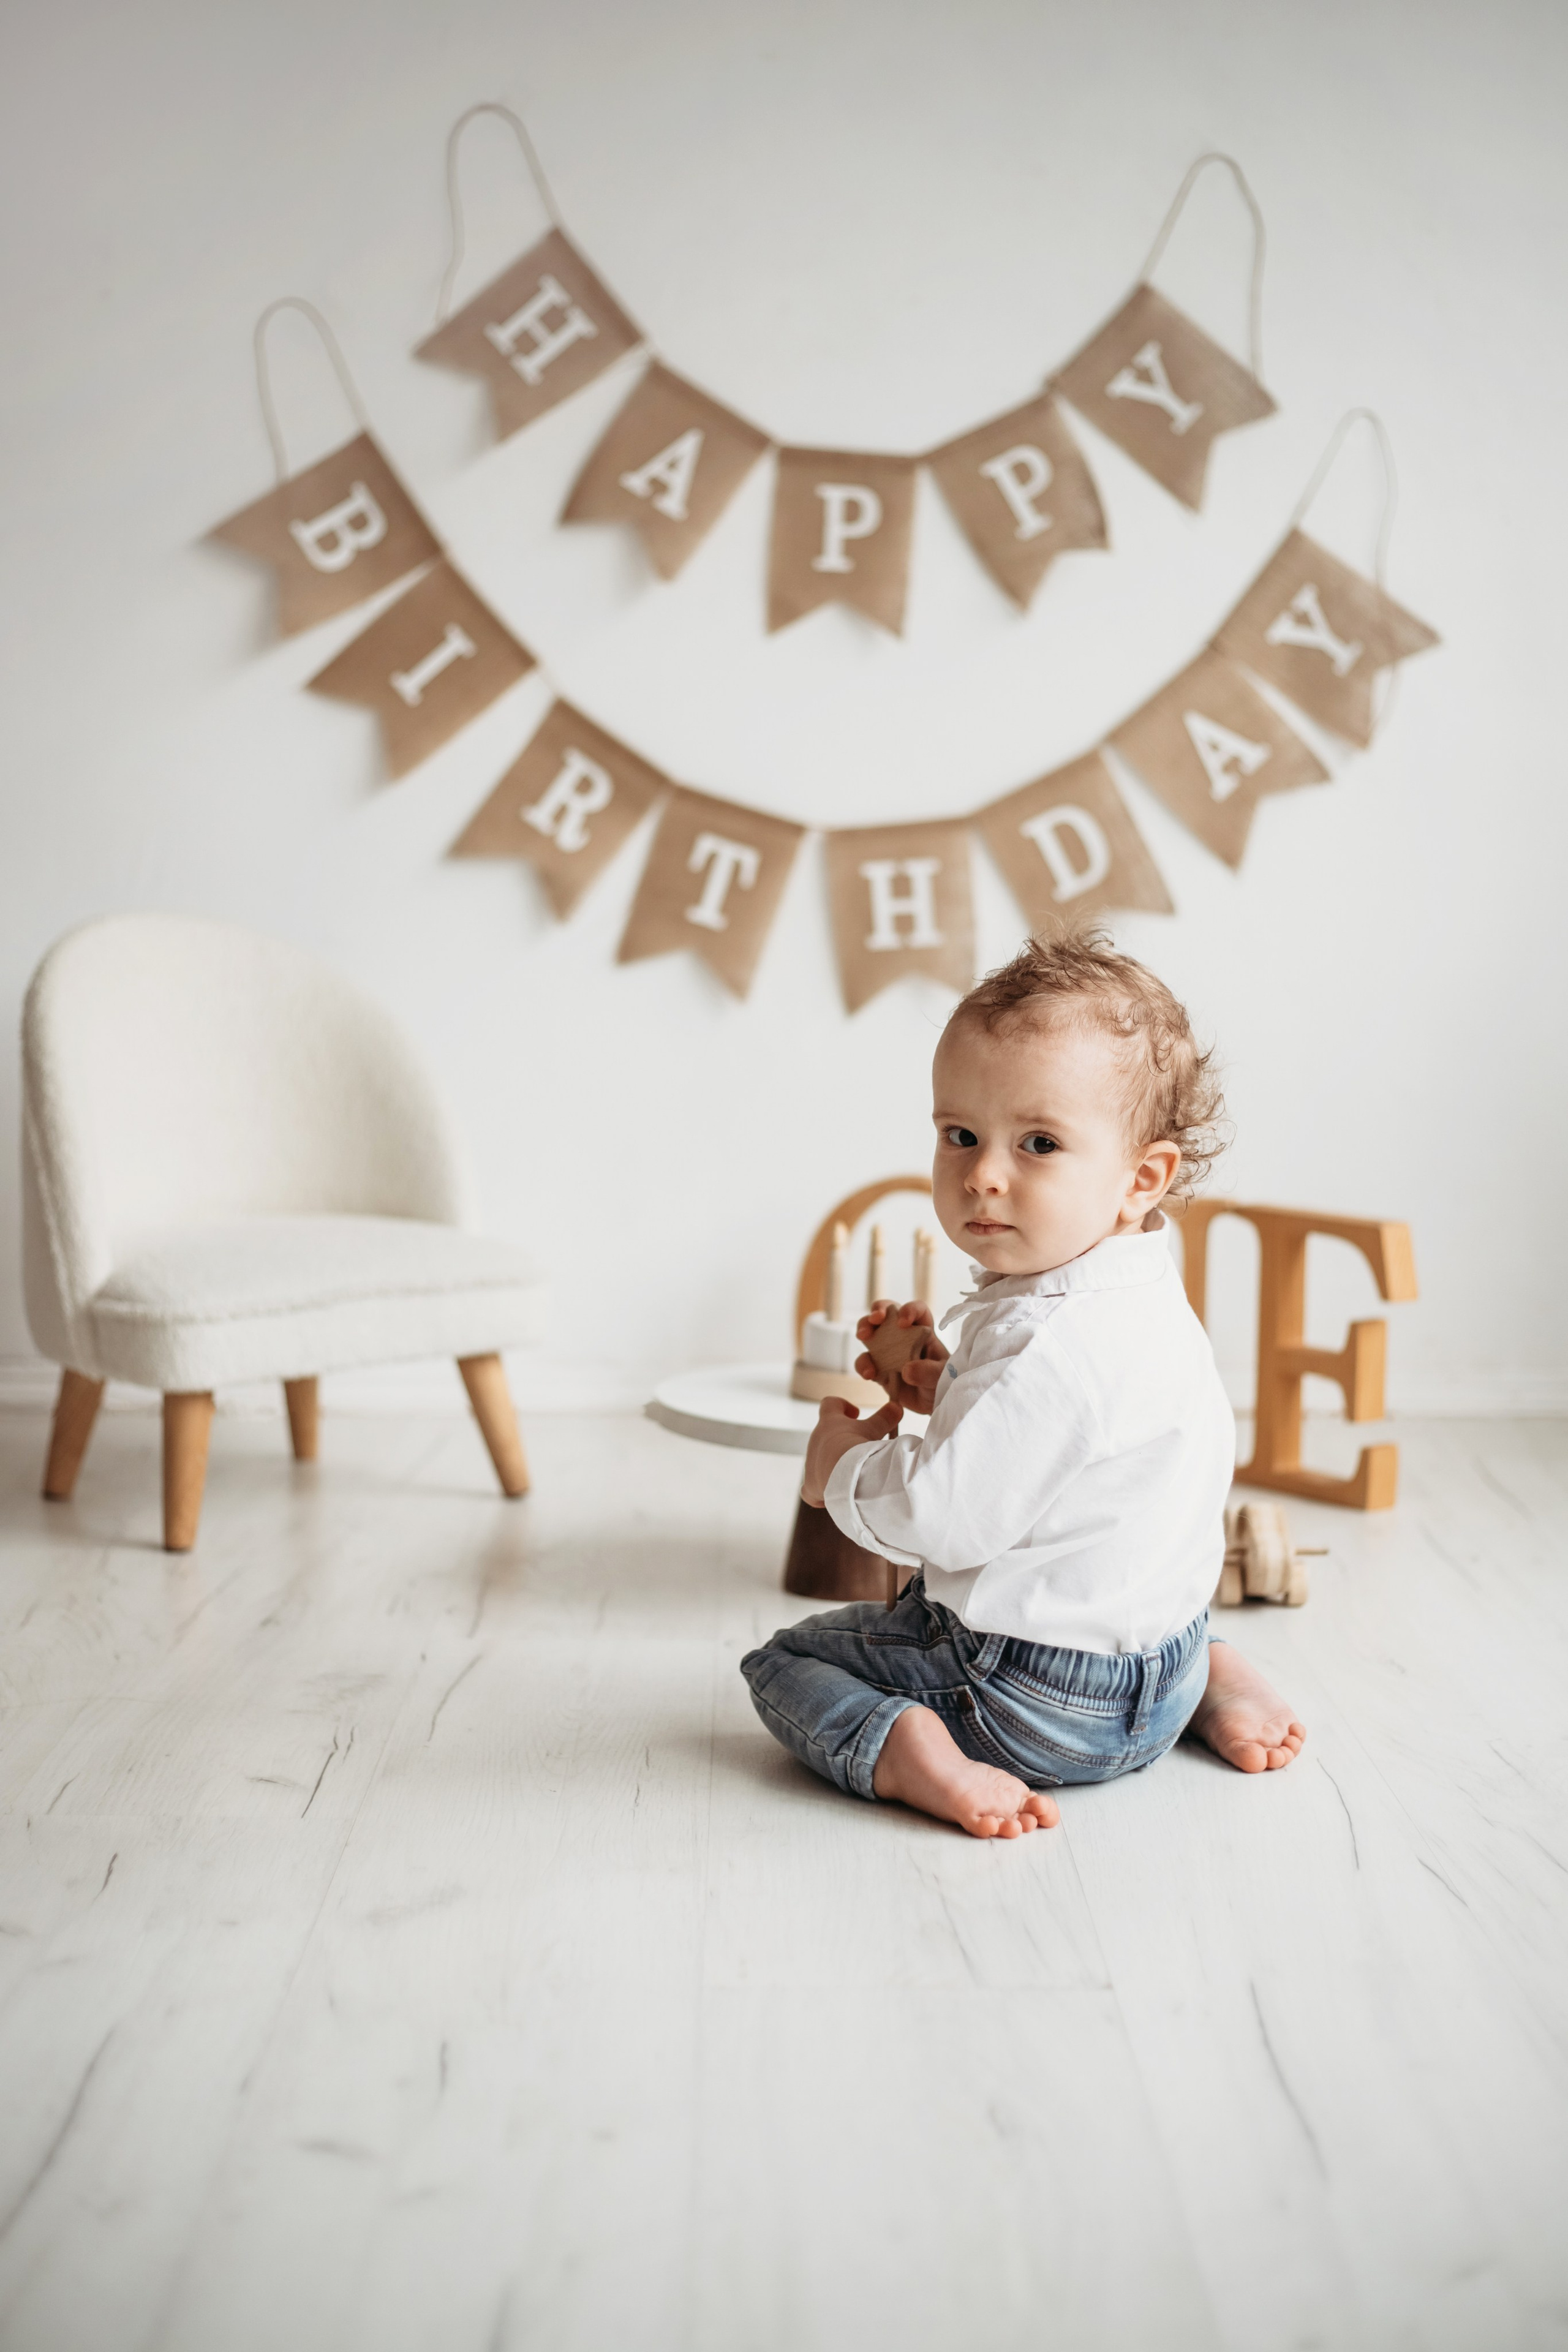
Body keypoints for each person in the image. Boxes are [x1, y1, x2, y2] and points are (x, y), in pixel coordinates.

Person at [741, 929, 1306, 1840]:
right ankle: (1208, 1683)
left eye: (1038, 1143)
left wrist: (839, 1469)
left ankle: (913, 1755)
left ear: (1141, 1176)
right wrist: (945, 1383)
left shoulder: (1047, 1339)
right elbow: (1067, 1444)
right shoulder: (1141, 1282)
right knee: (1125, 1585)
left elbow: (945, 1518)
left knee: (785, 1664)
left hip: (1029, 1700)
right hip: (1161, 1663)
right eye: (959, 1134)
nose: (983, 1176)